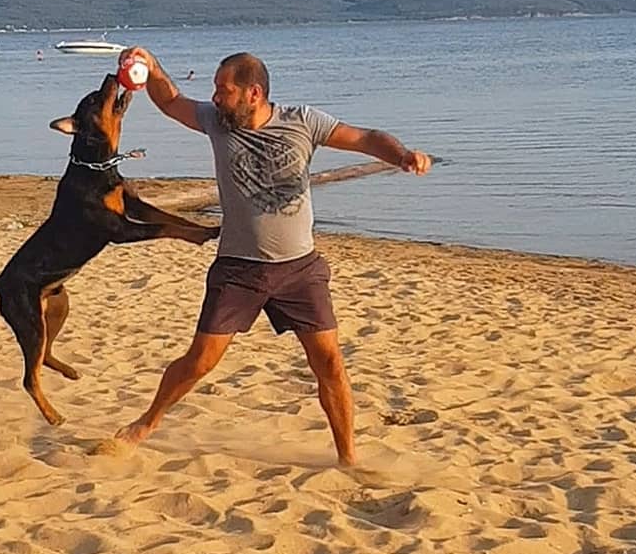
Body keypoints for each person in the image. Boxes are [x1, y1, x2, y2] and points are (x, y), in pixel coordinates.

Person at [113, 48, 431, 465]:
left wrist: (402, 155)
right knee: (200, 361)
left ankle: (348, 457)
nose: (215, 97)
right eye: (215, 89)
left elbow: (366, 138)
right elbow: (171, 101)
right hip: (239, 269)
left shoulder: (303, 122)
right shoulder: (217, 121)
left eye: (223, 90)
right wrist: (152, 67)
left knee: (330, 362)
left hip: (300, 269)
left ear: (253, 93)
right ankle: (147, 423)